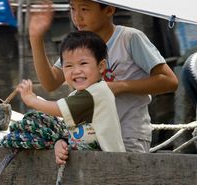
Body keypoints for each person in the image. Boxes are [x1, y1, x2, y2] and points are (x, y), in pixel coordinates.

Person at [28, 0, 178, 153]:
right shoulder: (81, 46)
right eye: (73, 9)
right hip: (90, 136)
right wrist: (35, 38)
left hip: (128, 134)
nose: (77, 17)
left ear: (109, 10)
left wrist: (119, 86)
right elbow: (50, 83)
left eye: (84, 9)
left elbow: (169, 81)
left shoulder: (129, 38)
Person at [0, 31, 125, 164]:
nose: (76, 71)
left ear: (101, 66)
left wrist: (32, 100)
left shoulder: (97, 92)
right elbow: (68, 130)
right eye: (69, 65)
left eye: (83, 63)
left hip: (110, 163)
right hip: (90, 163)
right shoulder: (76, 95)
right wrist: (60, 142)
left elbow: (58, 109)